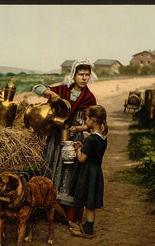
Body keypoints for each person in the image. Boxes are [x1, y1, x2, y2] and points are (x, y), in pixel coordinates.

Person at [32, 58, 96, 229]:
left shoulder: (89, 97)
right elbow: (36, 88)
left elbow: (92, 122)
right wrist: (49, 94)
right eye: (81, 74)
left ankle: (67, 214)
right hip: (55, 136)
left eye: (87, 75)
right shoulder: (61, 89)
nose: (84, 78)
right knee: (51, 166)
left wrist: (79, 128)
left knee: (70, 171)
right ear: (73, 75)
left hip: (74, 139)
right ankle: (45, 208)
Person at [69, 105, 108, 238]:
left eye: (86, 119)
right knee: (91, 202)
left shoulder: (91, 139)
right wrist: (84, 146)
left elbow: (81, 159)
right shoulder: (103, 137)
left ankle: (88, 231)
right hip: (97, 172)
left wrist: (78, 149)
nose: (85, 122)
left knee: (88, 201)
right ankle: (88, 226)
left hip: (88, 173)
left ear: (93, 119)